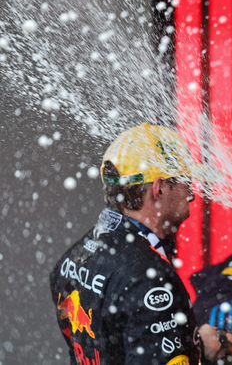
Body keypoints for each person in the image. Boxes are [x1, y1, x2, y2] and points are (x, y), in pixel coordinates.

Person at [49, 123, 202, 365]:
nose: (191, 192)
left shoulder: (74, 257)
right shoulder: (150, 278)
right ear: (159, 188)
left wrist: (196, 343)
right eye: (186, 180)